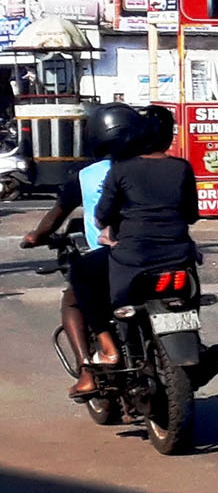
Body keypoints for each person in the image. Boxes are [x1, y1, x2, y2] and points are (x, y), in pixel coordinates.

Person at [19, 102, 141, 400]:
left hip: (113, 259)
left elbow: (56, 216)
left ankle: (88, 370)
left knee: (74, 297)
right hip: (163, 253)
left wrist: (36, 236)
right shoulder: (154, 166)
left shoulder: (86, 177)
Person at [95, 106, 199, 312]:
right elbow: (191, 215)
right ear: (169, 136)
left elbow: (102, 215)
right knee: (190, 301)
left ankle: (115, 344)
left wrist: (108, 228)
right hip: (178, 255)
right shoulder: (182, 168)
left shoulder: (121, 169)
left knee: (119, 306)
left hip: (133, 257)